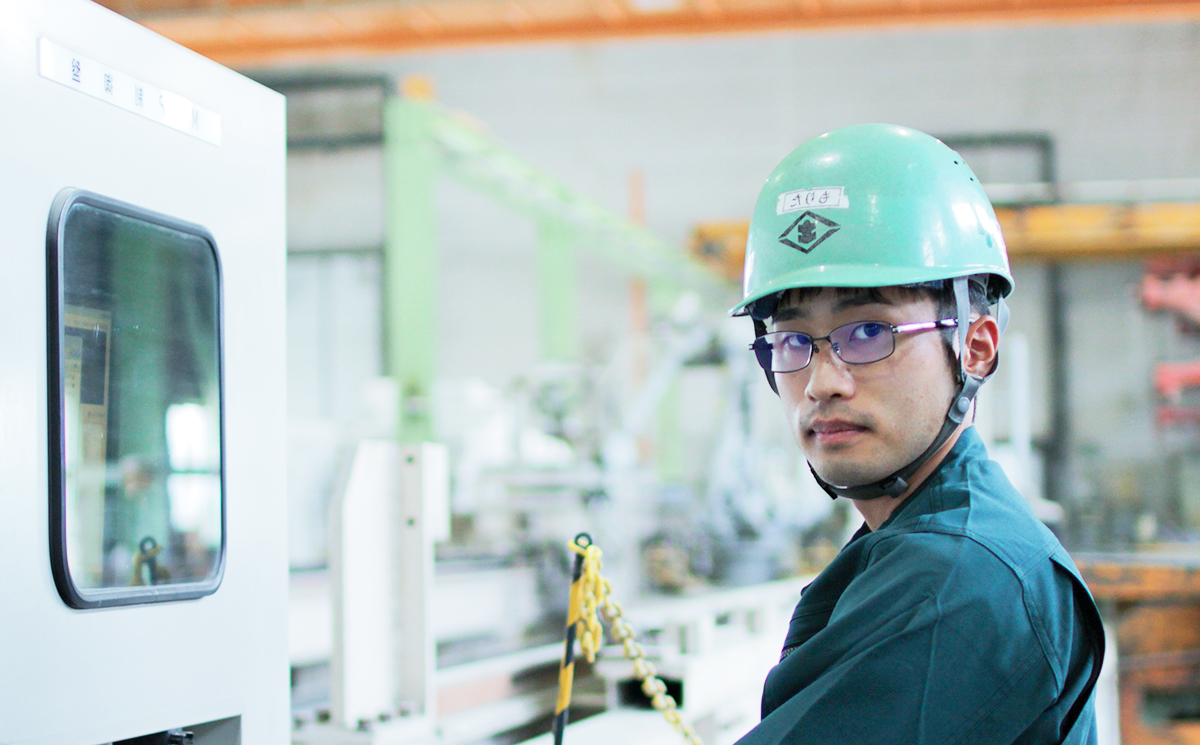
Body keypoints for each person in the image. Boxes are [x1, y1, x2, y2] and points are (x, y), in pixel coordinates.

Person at [730, 124, 1105, 744]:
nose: (822, 382)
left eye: (869, 333)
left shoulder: (959, 577)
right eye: (793, 341)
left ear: (975, 348)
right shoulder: (920, 540)